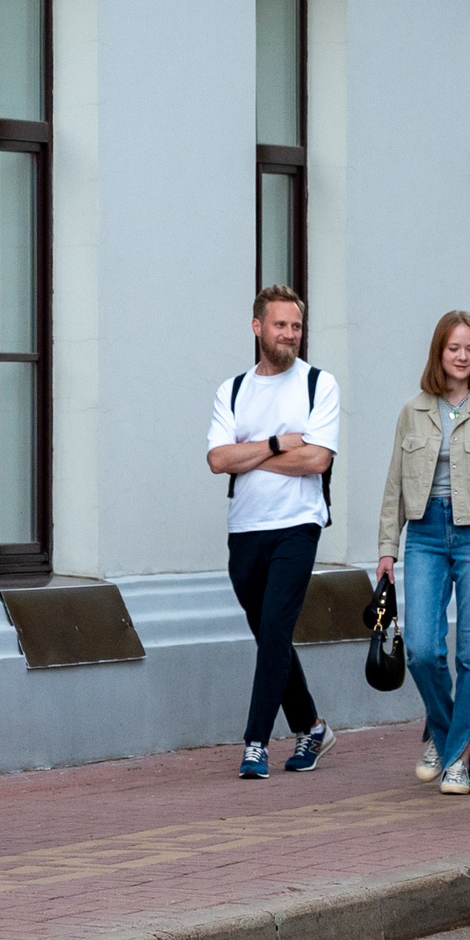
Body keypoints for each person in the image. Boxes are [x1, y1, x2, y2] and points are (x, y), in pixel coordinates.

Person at [376, 311, 470, 795]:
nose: (461, 357)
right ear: (438, 352)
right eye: (453, 348)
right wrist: (386, 548)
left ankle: (460, 758)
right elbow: (395, 484)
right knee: (422, 650)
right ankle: (444, 733)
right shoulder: (413, 410)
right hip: (424, 534)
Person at [205, 285, 340, 780]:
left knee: (276, 630)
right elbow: (218, 459)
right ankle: (312, 727)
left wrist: (250, 455)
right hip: (245, 528)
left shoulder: (319, 384)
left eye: (296, 326)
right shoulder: (233, 390)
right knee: (269, 636)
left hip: (298, 525)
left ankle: (255, 743)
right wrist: (280, 443)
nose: (289, 334)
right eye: (280, 325)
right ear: (257, 327)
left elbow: (318, 459)